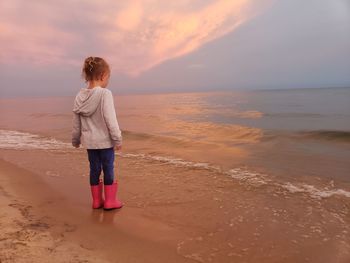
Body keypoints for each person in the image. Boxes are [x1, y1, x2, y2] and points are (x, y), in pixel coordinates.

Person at [71, 56, 123, 210]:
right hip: (105, 142)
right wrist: (117, 139)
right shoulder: (105, 94)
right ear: (102, 76)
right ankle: (110, 201)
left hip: (90, 143)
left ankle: (96, 201)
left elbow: (76, 122)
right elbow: (110, 119)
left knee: (94, 169)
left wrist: (75, 140)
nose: (108, 80)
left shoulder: (79, 96)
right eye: (108, 77)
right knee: (108, 168)